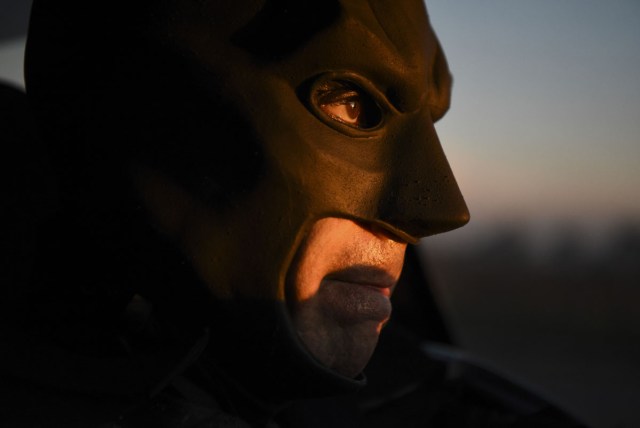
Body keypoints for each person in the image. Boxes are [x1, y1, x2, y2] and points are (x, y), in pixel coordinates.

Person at [0, 0, 587, 427]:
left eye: (430, 125)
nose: (441, 209)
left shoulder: (404, 385)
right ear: (143, 113)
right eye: (354, 104)